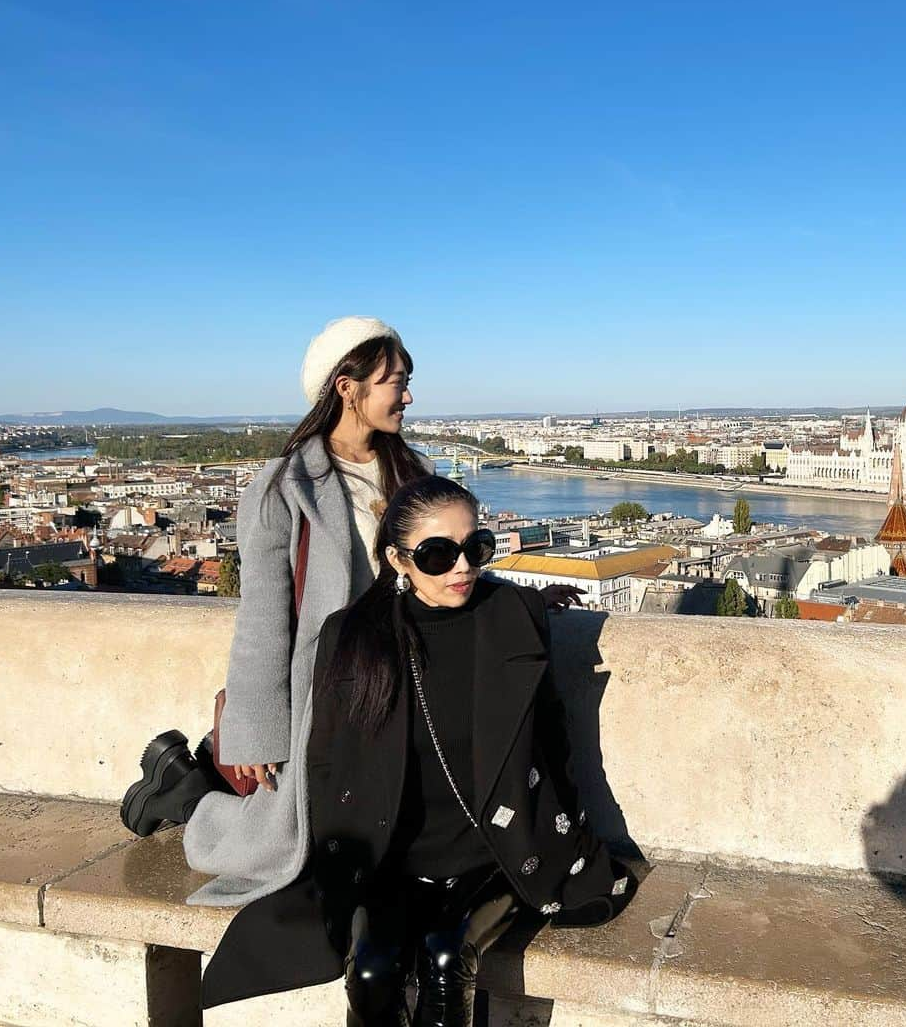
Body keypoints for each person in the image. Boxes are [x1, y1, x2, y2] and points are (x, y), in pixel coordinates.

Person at [199, 475, 637, 1022]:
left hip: (494, 850)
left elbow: (554, 742)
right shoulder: (354, 636)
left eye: (476, 548)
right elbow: (331, 764)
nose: (462, 567)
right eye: (437, 553)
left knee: (447, 954)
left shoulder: (513, 617)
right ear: (398, 559)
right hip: (393, 856)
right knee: (370, 969)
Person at [121, 316, 432, 907]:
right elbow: (264, 621)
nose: (409, 395)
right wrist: (258, 730)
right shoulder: (282, 489)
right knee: (298, 841)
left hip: (402, 681)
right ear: (348, 387)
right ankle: (189, 797)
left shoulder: (416, 475)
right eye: (396, 380)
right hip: (332, 689)